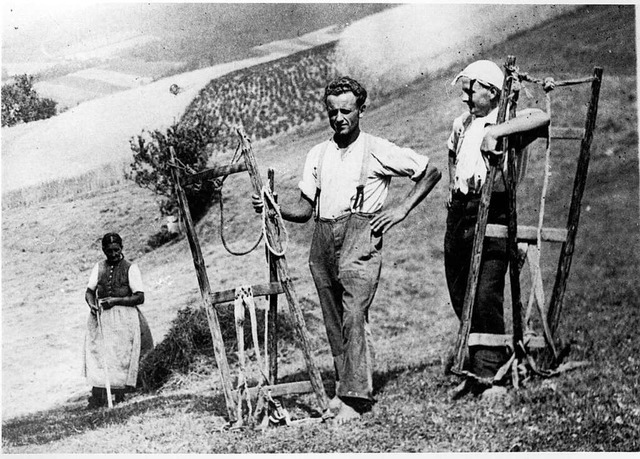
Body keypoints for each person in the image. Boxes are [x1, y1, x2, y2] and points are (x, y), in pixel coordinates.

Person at [253, 76, 441, 423]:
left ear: (361, 110)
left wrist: (401, 210)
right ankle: (344, 389)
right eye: (333, 111)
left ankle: (355, 399)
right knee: (334, 319)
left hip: (360, 237)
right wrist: (272, 205)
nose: (339, 118)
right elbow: (305, 209)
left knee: (354, 314)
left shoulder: (377, 149)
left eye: (347, 111)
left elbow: (429, 171)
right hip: (322, 240)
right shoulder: (318, 154)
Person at [444, 60, 550, 399]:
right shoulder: (462, 124)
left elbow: (543, 117)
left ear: (492, 92)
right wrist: (451, 184)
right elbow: (451, 153)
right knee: (460, 290)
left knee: (487, 290)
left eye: (470, 91)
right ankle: (479, 364)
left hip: (494, 211)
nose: (465, 99)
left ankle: (493, 374)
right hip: (462, 211)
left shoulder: (508, 121)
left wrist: (496, 132)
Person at [83, 232, 154, 408]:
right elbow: (89, 292)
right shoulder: (98, 267)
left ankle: (122, 393)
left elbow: (139, 297)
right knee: (100, 355)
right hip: (102, 319)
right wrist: (92, 305)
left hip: (125, 319)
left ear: (121, 248)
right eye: (109, 251)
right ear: (103, 250)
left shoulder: (131, 268)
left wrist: (115, 301)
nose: (113, 254)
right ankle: (99, 395)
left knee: (122, 355)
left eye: (116, 250)